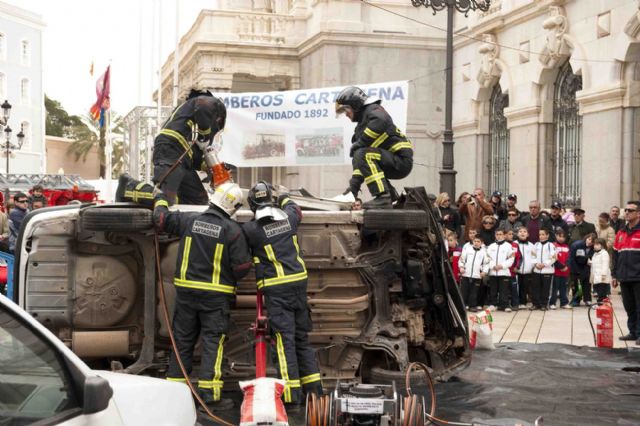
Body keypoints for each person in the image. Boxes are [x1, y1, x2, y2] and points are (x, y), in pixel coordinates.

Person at [152, 182, 252, 411]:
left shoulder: (189, 220)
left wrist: (159, 199)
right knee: (212, 343)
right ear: (234, 207)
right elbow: (242, 268)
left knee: (182, 342)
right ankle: (209, 396)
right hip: (215, 299)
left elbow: (160, 220)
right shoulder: (233, 231)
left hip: (186, 295)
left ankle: (175, 394)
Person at [242, 182, 323, 406]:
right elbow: (295, 209)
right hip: (298, 285)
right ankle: (315, 393)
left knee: (284, 341)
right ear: (271, 200)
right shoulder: (288, 218)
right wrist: (285, 195)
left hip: (277, 290)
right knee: (301, 340)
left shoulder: (251, 230)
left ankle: (291, 396)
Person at [118, 89, 228, 206]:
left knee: (198, 200)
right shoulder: (210, 103)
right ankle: (127, 188)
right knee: (165, 198)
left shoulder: (189, 121)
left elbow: (194, 156)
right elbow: (203, 107)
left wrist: (209, 167)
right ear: (218, 118)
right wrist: (204, 136)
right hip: (170, 147)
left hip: (182, 158)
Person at [336, 86, 413, 209]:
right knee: (360, 156)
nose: (346, 114)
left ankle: (383, 197)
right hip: (391, 161)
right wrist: (352, 191)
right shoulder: (361, 126)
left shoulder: (373, 110)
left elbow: (381, 120)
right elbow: (360, 166)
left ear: (355, 105)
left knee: (362, 154)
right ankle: (392, 198)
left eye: (346, 110)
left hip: (401, 160)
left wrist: (361, 143)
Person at [612, 201, 640, 344]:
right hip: (624, 276)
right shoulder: (621, 232)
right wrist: (614, 274)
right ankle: (633, 332)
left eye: (631, 210)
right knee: (629, 307)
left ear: (638, 213)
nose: (627, 212)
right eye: (626, 210)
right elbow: (616, 255)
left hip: (638, 277)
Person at [484, 228, 515, 312]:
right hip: (493, 272)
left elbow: (511, 259)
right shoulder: (491, 246)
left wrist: (502, 266)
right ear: (495, 235)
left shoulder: (508, 246)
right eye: (497, 234)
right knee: (493, 289)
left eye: (500, 234)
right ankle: (493, 304)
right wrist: (492, 266)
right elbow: (487, 258)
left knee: (503, 289)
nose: (499, 236)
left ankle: (504, 305)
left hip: (503, 272)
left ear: (504, 235)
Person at [458, 235, 488, 311]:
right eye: (475, 241)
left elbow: (486, 263)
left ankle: (472, 306)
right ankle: (462, 305)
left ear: (481, 243)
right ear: (472, 241)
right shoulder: (467, 250)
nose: (476, 243)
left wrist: (484, 271)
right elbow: (461, 260)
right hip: (466, 274)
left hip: (477, 275)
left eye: (478, 242)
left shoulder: (484, 252)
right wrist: (461, 267)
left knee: (474, 292)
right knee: (464, 291)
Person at [532, 229, 556, 311]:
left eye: (543, 234)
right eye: (540, 234)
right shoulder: (536, 245)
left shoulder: (551, 245)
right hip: (537, 270)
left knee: (545, 288)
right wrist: (536, 264)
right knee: (535, 287)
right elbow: (532, 256)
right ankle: (535, 304)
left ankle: (544, 304)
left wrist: (544, 264)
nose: (541, 236)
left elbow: (553, 257)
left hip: (547, 270)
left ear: (547, 235)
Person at [569, 233, 596, 307]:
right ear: (586, 238)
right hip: (576, 267)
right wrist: (574, 270)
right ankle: (576, 300)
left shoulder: (593, 248)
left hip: (586, 268)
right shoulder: (577, 245)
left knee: (587, 285)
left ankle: (587, 300)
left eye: (592, 241)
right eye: (589, 239)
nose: (590, 242)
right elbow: (572, 258)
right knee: (576, 285)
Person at [550, 229, 571, 309]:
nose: (561, 238)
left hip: (565, 272)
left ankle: (564, 303)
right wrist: (561, 266)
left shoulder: (566, 247)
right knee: (554, 288)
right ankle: (552, 303)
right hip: (556, 271)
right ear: (556, 236)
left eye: (563, 237)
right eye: (559, 236)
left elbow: (569, 258)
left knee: (564, 288)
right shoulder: (553, 245)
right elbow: (553, 258)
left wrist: (566, 266)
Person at [515, 227, 536, 309]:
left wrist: (532, 267)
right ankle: (516, 302)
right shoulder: (514, 244)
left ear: (528, 234)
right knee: (516, 287)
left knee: (525, 287)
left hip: (527, 270)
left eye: (524, 231)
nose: (522, 233)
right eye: (520, 231)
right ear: (517, 234)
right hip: (517, 270)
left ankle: (523, 302)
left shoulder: (531, 245)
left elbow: (534, 257)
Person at [590, 238, 612, 303]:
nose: (595, 246)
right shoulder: (595, 253)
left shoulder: (604, 253)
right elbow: (596, 263)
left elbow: (605, 264)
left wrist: (604, 274)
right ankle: (601, 303)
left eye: (597, 244)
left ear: (602, 245)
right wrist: (590, 262)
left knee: (602, 291)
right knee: (599, 291)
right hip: (597, 276)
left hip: (602, 277)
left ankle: (601, 303)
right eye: (594, 244)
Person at [505, 229, 521, 311]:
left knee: (514, 288)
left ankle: (515, 304)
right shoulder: (503, 245)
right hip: (504, 271)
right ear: (505, 235)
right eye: (509, 234)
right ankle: (506, 304)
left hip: (513, 271)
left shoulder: (515, 245)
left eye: (512, 234)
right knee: (505, 289)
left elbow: (519, 257)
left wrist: (517, 267)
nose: (511, 235)